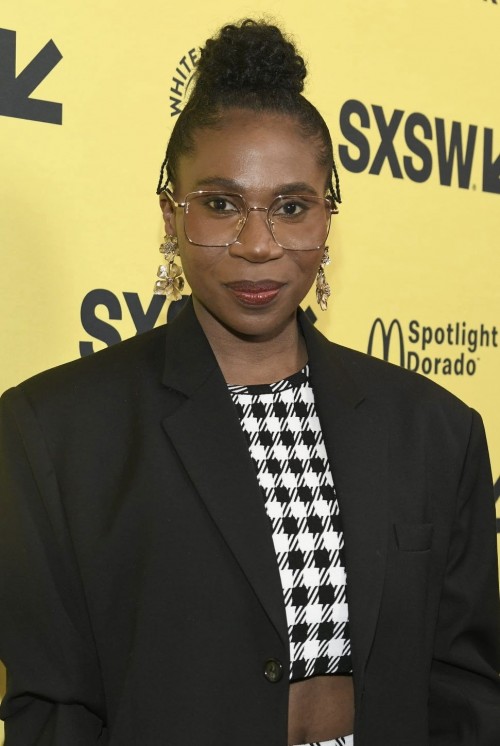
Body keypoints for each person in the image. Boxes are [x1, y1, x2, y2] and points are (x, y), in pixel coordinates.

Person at [0, 18, 499, 746]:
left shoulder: (434, 429)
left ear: (327, 217)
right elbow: (54, 710)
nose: (259, 245)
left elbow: (466, 690)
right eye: (221, 204)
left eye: (292, 207)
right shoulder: (55, 433)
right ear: (171, 213)